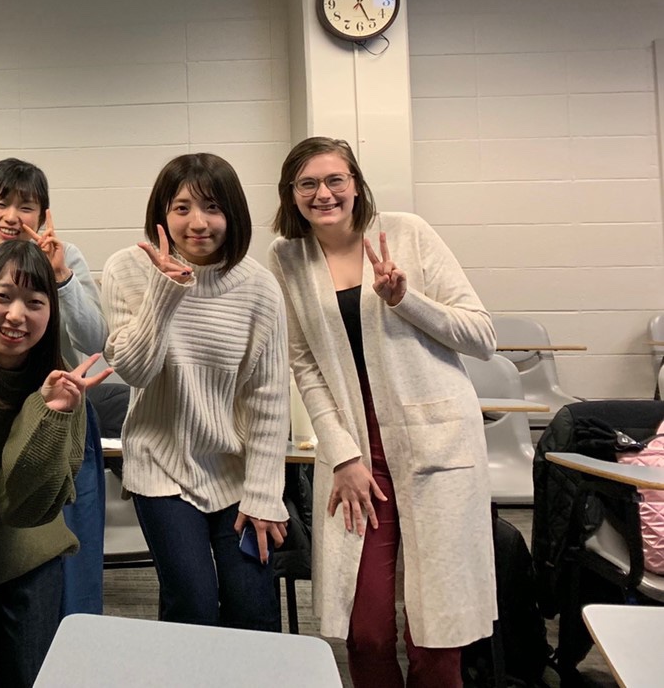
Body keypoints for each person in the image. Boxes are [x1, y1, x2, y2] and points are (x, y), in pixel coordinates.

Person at [268, 137, 496, 688]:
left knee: (436, 632)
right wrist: (342, 453)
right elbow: (304, 364)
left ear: (355, 184)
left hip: (434, 443)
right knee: (363, 628)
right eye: (308, 184)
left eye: (335, 180)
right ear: (291, 195)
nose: (323, 193)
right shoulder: (287, 258)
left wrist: (404, 298)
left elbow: (481, 336)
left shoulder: (408, 233)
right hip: (355, 454)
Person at [102, 152, 289, 631]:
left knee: (253, 609)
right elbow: (136, 371)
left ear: (233, 214)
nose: (197, 222)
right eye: (181, 207)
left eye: (212, 207)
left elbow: (268, 399)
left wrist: (265, 495)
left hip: (234, 470)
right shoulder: (127, 269)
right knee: (193, 606)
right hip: (158, 466)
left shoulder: (259, 287)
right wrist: (165, 291)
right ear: (162, 214)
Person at [0, 241, 109, 687]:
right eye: (3, 296)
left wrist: (51, 414)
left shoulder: (62, 382)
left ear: (51, 314)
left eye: (34, 303)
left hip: (30, 552)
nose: (16, 316)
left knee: (31, 676)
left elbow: (27, 507)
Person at [0, 157, 108, 615]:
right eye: (0, 203)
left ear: (44, 215)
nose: (12, 217)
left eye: (27, 206)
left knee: (71, 550)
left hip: (64, 417)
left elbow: (95, 341)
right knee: (5, 547)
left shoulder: (67, 258)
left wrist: (60, 278)